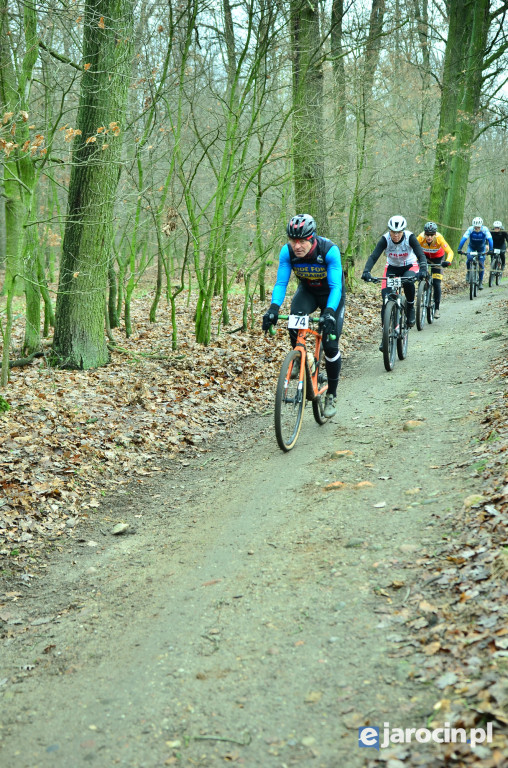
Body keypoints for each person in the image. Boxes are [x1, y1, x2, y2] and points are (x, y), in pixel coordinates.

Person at [262, 213, 346, 419]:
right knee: (293, 320)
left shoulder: (329, 250)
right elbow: (281, 283)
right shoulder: (286, 252)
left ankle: (331, 396)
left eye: (302, 241)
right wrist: (273, 308)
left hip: (331, 295)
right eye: (292, 241)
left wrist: (329, 313)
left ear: (312, 239)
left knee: (330, 346)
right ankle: (300, 359)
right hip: (308, 292)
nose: (296, 246)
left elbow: (336, 286)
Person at [361, 216, 427, 340]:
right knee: (386, 300)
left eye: (399, 232)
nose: (396, 235)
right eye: (393, 232)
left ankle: (410, 306)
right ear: (389, 231)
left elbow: (420, 254)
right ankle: (385, 334)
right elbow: (374, 256)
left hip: (409, 266)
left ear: (403, 231)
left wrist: (423, 269)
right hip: (391, 267)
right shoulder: (385, 239)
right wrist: (366, 271)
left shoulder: (410, 237)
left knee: (408, 281)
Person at [416, 222, 454, 319]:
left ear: (435, 234)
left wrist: (448, 261)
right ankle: (422, 290)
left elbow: (450, 252)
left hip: (438, 259)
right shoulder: (420, 238)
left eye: (431, 235)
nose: (429, 237)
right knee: (421, 276)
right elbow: (412, 249)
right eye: (427, 235)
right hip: (424, 258)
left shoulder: (439, 238)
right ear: (424, 234)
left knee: (436, 283)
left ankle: (436, 309)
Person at [457, 217, 493, 290]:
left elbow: (490, 239)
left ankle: (480, 282)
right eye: (475, 227)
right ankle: (469, 272)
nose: (477, 229)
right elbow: (464, 239)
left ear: (481, 226)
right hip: (472, 247)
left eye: (478, 227)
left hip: (481, 248)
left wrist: (491, 249)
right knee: (469, 258)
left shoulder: (485, 229)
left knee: (481, 264)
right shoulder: (470, 229)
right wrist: (459, 248)